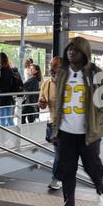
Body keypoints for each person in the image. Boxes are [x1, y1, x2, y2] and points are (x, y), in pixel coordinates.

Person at [50, 37, 103, 206]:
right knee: (66, 171)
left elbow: (102, 105)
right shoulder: (61, 74)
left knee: (92, 167)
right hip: (66, 132)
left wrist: (96, 125)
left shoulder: (96, 73)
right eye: (69, 49)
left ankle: (101, 188)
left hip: (88, 133)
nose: (70, 52)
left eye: (75, 50)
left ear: (84, 52)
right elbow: (58, 102)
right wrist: (55, 128)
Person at [39, 57, 63, 190]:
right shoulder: (46, 84)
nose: (52, 68)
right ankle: (57, 178)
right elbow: (42, 105)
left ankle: (60, 177)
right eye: (51, 65)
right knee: (59, 153)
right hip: (55, 124)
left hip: (71, 125)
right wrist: (41, 104)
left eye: (55, 66)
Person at [0, 52, 15, 127]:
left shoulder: (0, 70)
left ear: (0, 60)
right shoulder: (9, 70)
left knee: (2, 119)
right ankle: (15, 136)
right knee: (9, 119)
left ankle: (2, 138)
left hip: (1, 96)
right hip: (8, 96)